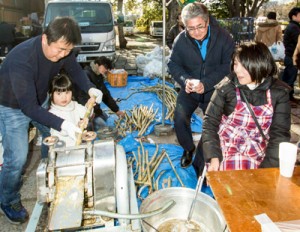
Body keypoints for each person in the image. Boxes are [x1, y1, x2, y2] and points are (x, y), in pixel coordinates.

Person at [0, 17, 103, 224]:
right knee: (17, 157)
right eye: (60, 50)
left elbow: (74, 69)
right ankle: (7, 199)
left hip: (39, 97)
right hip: (12, 105)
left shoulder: (62, 49)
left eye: (68, 50)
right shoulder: (22, 59)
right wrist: (64, 123)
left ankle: (50, 176)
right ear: (45, 38)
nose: (63, 55)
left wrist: (90, 87)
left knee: (52, 137)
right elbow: (28, 107)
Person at [194, 42, 291, 174]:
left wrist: (265, 172)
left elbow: (279, 135)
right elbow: (209, 123)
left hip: (258, 151)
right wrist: (214, 157)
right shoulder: (226, 87)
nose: (237, 70)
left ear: (259, 65)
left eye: (243, 65)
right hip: (225, 147)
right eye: (235, 64)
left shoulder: (279, 93)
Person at [167, 2, 235, 168]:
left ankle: (205, 155)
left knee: (212, 125)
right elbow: (173, 64)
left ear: (207, 22)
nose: (196, 32)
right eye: (190, 28)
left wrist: (207, 83)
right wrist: (185, 80)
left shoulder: (224, 37)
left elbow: (228, 66)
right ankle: (188, 148)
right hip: (190, 89)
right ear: (184, 26)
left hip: (215, 90)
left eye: (200, 27)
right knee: (180, 118)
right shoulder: (181, 40)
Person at [74, 56, 125, 132]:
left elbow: (105, 95)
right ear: (97, 64)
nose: (106, 70)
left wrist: (116, 110)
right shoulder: (86, 74)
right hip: (85, 110)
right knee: (104, 128)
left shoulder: (98, 76)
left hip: (95, 109)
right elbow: (80, 97)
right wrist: (90, 112)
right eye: (105, 67)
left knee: (105, 117)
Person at [49, 74, 93, 147]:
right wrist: (78, 126)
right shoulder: (52, 113)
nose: (64, 97)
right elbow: (63, 131)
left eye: (67, 92)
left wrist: (89, 106)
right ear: (51, 94)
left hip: (77, 144)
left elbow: (87, 113)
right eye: (59, 94)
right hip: (63, 149)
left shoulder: (74, 105)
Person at [281, 7, 300, 101]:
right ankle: (286, 99)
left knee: (289, 77)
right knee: (290, 78)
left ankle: (288, 97)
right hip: (292, 55)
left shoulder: (293, 26)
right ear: (293, 16)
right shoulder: (294, 27)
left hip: (289, 55)